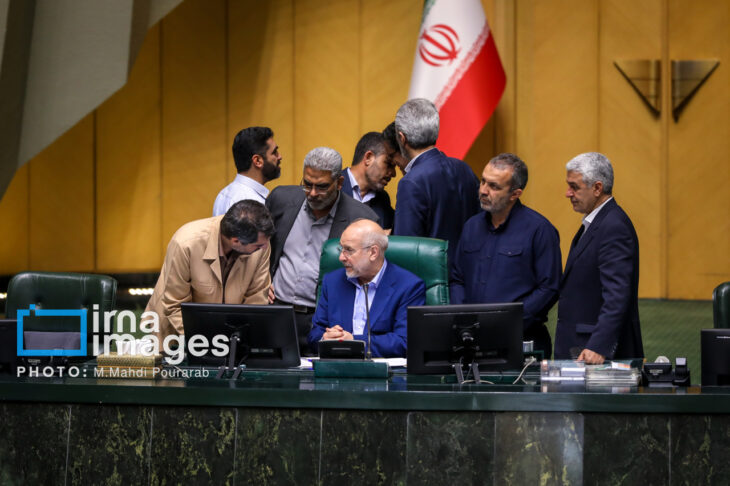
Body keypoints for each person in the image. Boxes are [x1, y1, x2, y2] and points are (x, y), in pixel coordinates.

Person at [265, 147, 379, 354]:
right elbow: (260, 245)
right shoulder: (281, 199)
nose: (313, 193)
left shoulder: (361, 218)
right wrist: (261, 279)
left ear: (339, 183)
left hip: (321, 321)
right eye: (307, 184)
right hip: (277, 312)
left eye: (322, 186)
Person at [450, 154, 562, 358]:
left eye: (494, 186)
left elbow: (549, 288)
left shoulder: (540, 230)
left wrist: (509, 322)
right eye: (483, 181)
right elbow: (457, 279)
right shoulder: (471, 227)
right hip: (472, 342)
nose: (483, 190)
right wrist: (465, 319)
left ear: (515, 194)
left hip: (521, 341)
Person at [554, 152, 643, 364]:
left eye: (574, 187)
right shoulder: (599, 222)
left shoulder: (613, 227)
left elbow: (617, 294)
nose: (567, 193)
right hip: (582, 346)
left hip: (595, 352)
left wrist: (599, 345)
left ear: (597, 188)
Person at [146, 200, 275, 340]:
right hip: (175, 330)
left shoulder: (261, 245)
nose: (264, 247)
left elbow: (255, 302)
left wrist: (237, 338)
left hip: (226, 337)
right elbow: (174, 305)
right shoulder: (186, 244)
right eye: (258, 245)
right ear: (235, 241)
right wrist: (209, 342)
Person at [308, 219, 425, 358]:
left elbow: (404, 342)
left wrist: (354, 342)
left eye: (349, 250)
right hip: (336, 367)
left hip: (382, 369)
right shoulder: (332, 281)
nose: (341, 257)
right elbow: (315, 334)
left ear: (373, 252)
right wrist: (325, 339)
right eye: (341, 249)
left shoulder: (409, 286)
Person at [391, 98, 479, 263]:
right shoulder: (464, 168)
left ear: (402, 138)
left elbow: (406, 250)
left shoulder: (411, 182)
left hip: (434, 276)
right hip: (470, 271)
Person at [213, 126, 282, 215]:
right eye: (274, 152)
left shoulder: (223, 194)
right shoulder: (252, 205)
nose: (280, 156)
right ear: (257, 161)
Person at [342, 131, 396, 230]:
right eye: (388, 164)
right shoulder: (333, 188)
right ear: (368, 158)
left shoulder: (383, 199)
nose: (393, 173)